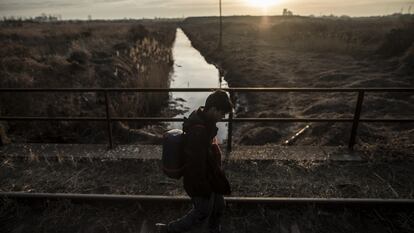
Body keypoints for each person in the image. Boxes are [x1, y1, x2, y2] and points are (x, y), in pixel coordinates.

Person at [156, 90, 233, 233]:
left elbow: (206, 157)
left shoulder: (205, 123)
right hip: (199, 181)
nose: (222, 118)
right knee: (202, 211)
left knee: (219, 206)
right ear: (213, 109)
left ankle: (213, 230)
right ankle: (168, 230)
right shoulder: (198, 132)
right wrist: (204, 188)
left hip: (209, 176)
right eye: (222, 114)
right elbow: (196, 165)